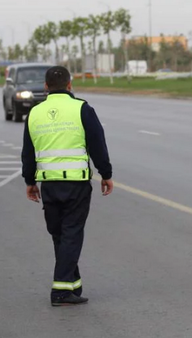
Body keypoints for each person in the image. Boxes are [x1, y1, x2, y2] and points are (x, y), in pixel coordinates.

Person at [21, 66, 113, 306]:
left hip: (49, 185)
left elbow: (28, 153)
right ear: (70, 85)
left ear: (45, 86)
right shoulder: (82, 108)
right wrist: (106, 173)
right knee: (71, 234)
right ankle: (60, 290)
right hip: (76, 184)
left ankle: (72, 285)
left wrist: (30, 181)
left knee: (60, 235)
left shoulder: (35, 113)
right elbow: (97, 143)